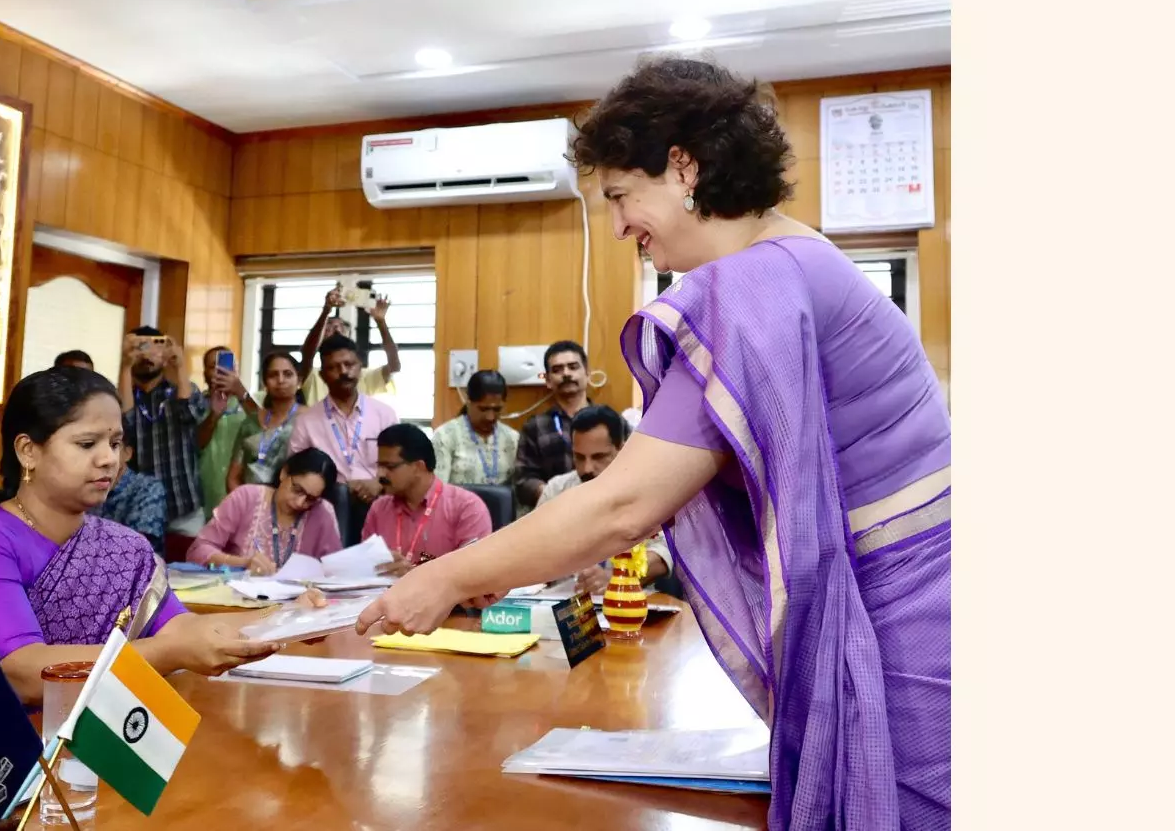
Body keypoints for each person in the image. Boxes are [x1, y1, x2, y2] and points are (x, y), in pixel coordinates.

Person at [356, 57, 951, 831]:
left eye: (618, 197)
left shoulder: (755, 286)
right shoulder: (792, 257)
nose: (617, 228)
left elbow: (624, 505)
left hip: (904, 632)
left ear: (682, 166)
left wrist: (449, 578)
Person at [0, 366, 283, 732]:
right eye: (87, 444)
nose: (109, 459)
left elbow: (180, 628)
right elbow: (24, 674)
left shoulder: (124, 547)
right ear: (28, 451)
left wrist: (286, 620)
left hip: (84, 734)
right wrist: (174, 653)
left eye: (115, 443)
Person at [536, 405, 673, 596]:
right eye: (579, 457)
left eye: (598, 456)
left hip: (628, 603)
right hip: (564, 605)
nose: (587, 468)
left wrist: (616, 577)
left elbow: (665, 552)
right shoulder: (556, 490)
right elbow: (534, 548)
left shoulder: (646, 493)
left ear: (621, 449)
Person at [290, 335, 400, 543]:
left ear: (360, 367)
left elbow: (401, 461)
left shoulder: (384, 414)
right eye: (333, 367)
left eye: (349, 364)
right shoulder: (307, 421)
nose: (343, 372)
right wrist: (339, 486)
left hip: (379, 498)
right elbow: (297, 472)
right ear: (322, 375)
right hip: (328, 504)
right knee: (338, 495)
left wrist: (378, 482)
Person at [118, 326, 207, 558]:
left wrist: (180, 366)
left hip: (184, 508)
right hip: (137, 508)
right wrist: (126, 365)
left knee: (190, 574)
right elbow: (122, 426)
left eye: (155, 346)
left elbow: (190, 414)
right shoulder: (121, 394)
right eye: (140, 346)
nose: (147, 355)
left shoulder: (183, 391)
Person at [188, 448, 343, 574]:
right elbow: (198, 550)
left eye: (310, 499)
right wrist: (243, 563)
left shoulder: (322, 513)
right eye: (297, 489)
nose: (299, 502)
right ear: (284, 473)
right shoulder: (246, 497)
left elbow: (335, 572)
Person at [364, 423, 492, 575]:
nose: (381, 474)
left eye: (389, 467)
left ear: (418, 466)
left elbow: (474, 571)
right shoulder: (379, 509)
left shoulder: (467, 507)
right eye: (379, 466)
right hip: (385, 596)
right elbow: (365, 568)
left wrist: (417, 576)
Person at [512, 341, 604, 509]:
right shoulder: (535, 426)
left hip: (604, 509)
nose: (566, 374)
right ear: (547, 380)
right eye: (557, 370)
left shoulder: (610, 422)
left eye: (573, 367)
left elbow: (629, 469)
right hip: (552, 513)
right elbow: (523, 481)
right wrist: (556, 497)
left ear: (587, 373)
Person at [298, 285, 399, 406]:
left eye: (342, 326)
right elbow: (307, 354)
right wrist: (326, 310)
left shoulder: (364, 375)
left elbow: (394, 366)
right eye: (329, 326)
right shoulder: (313, 375)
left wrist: (381, 322)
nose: (336, 329)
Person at [196, 345, 259, 519]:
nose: (220, 370)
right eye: (212, 366)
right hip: (206, 494)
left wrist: (240, 392)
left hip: (244, 491)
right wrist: (214, 415)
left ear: (236, 370)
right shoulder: (196, 402)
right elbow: (195, 444)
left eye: (226, 365)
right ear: (204, 373)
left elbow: (265, 427)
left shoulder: (254, 401)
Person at [228, 351, 304, 491]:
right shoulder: (251, 422)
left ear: (299, 381)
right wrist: (245, 505)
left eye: (287, 374)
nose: (280, 380)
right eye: (273, 375)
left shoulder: (310, 419)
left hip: (294, 503)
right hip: (249, 504)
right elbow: (233, 478)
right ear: (265, 383)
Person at [431, 370, 518, 488]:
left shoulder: (513, 439)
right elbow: (437, 491)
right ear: (468, 401)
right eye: (483, 409)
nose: (490, 417)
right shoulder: (445, 436)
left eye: (497, 409)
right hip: (458, 506)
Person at [90, 438, 166, 549]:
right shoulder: (83, 486)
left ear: (127, 453)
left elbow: (138, 548)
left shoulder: (147, 488)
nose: (103, 455)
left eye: (114, 445)